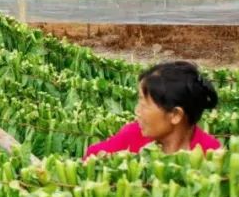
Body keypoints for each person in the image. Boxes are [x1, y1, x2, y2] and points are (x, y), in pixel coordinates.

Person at [84, 60, 220, 159]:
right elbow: (91, 156)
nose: (137, 111)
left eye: (144, 104)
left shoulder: (211, 154)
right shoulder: (132, 136)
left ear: (175, 115)